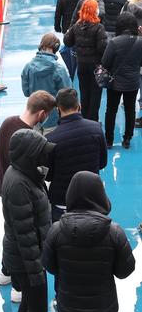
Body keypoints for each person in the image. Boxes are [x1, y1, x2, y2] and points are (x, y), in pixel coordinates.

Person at [43, 171, 135, 312]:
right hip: (103, 309)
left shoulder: (56, 230)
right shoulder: (114, 232)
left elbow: (50, 266)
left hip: (69, 307)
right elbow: (125, 271)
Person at [1, 129, 55, 312]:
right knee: (39, 309)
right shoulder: (18, 184)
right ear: (27, 155)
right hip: (27, 259)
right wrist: (36, 270)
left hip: (30, 256)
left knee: (28, 306)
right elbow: (25, 234)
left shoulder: (26, 175)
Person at [0, 91, 56, 295]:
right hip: (22, 194)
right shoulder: (30, 140)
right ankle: (18, 287)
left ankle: (5, 272)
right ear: (41, 114)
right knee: (25, 234)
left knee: (11, 232)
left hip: (5, 189)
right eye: (47, 114)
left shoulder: (7, 124)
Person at [46, 88, 107, 222]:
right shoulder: (96, 129)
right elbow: (102, 163)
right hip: (92, 199)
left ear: (58, 109)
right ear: (79, 106)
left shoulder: (51, 139)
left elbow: (49, 175)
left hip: (62, 202)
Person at [101, 12, 142, 149]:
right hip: (133, 82)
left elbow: (105, 62)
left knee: (111, 110)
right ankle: (127, 139)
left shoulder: (114, 42)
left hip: (115, 83)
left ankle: (109, 140)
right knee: (130, 111)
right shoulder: (140, 41)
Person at [63, 0, 107, 122]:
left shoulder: (77, 26)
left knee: (84, 92)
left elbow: (67, 41)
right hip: (95, 66)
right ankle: (93, 120)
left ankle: (85, 119)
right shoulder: (99, 27)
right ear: (95, 11)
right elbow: (102, 47)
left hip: (81, 64)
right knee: (95, 94)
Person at [21, 33, 71, 129]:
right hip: (54, 121)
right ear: (55, 47)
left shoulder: (28, 67)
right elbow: (66, 96)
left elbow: (26, 92)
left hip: (34, 119)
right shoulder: (59, 69)